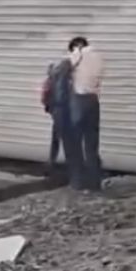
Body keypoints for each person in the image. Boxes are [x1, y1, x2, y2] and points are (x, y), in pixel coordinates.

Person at [67, 36, 105, 192]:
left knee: (75, 144)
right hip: (93, 101)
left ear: (77, 46)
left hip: (78, 101)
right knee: (92, 145)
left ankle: (78, 183)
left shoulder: (77, 55)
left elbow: (67, 67)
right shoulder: (98, 57)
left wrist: (76, 53)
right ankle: (95, 183)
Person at [40, 55, 73, 178]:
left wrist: (50, 107)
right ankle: (68, 164)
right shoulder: (65, 79)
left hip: (56, 110)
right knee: (66, 137)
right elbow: (65, 96)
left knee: (56, 138)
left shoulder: (53, 76)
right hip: (63, 110)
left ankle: (51, 163)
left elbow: (46, 93)